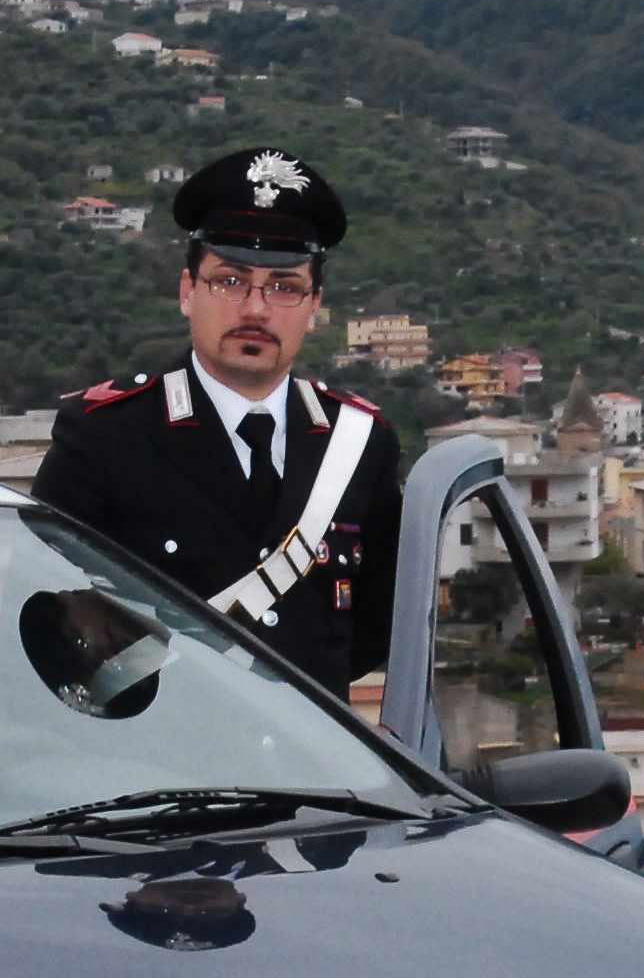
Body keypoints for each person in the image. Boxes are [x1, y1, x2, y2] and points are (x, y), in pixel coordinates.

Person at [33, 146, 403, 686]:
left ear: (315, 305)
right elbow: (52, 626)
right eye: (230, 280)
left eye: (284, 287)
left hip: (314, 766)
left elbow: (374, 630)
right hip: (159, 761)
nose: (255, 309)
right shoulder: (106, 436)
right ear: (187, 292)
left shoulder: (360, 444)